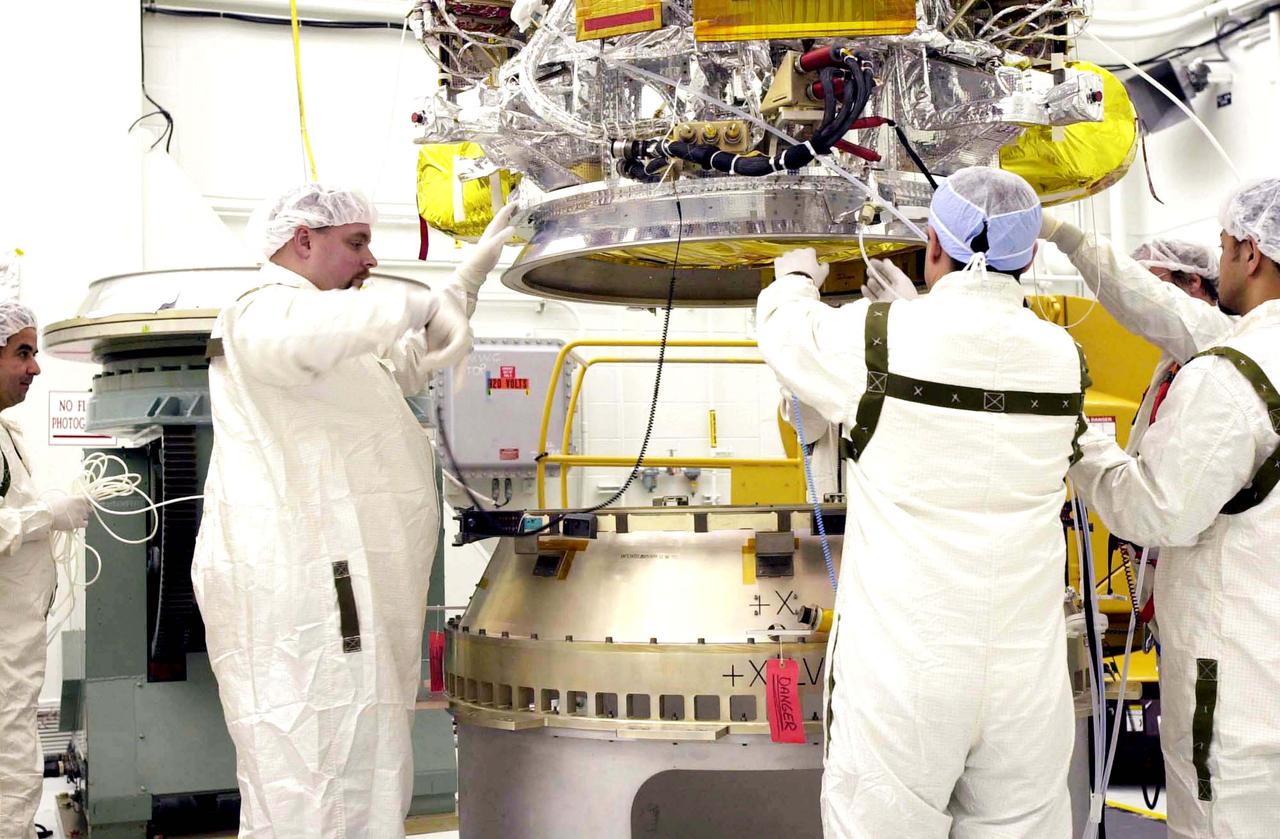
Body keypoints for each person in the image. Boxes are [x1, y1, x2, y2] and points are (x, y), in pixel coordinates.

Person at [758, 166, 1087, 837]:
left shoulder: (879, 336)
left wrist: (793, 280)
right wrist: (918, 308)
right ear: (1029, 256)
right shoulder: (1064, 355)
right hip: (1025, 682)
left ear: (934, 242)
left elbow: (790, 337)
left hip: (907, 672)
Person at [191, 184, 515, 838]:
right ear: (302, 240)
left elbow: (408, 359)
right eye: (356, 242)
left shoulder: (333, 326)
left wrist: (467, 279)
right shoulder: (262, 313)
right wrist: (413, 303)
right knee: (318, 765)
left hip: (349, 583)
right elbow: (310, 338)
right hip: (313, 588)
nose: (370, 259)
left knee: (363, 753)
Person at [1054, 178, 1280, 838]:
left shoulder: (1230, 375)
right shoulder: (1247, 356)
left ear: (1249, 252)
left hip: (1241, 692)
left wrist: (1071, 430)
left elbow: (1155, 512)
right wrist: (1070, 239)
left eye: (1222, 244)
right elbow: (1168, 313)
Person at [0, 301, 90, 839]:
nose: (35, 367)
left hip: (16, 643)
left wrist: (44, 507)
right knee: (9, 764)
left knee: (16, 756)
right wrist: (46, 515)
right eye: (22, 353)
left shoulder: (6, 432)